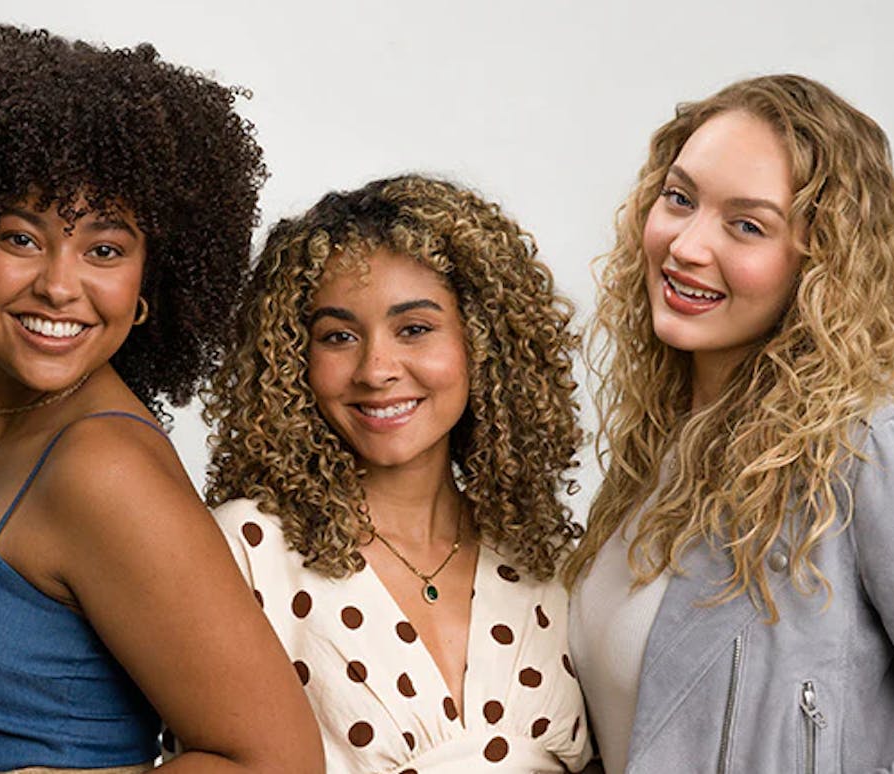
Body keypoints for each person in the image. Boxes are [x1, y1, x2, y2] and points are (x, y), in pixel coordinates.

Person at [0, 24, 323, 774]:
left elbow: (278, 764)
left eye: (104, 250)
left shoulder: (104, 469)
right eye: (20, 238)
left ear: (148, 284)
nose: (59, 285)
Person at [192, 174, 594, 772]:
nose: (375, 369)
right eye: (338, 337)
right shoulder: (246, 550)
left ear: (483, 341)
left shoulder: (548, 561)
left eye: (414, 329)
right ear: (294, 359)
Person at [565, 74, 894, 773]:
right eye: (679, 198)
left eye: (747, 225)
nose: (687, 245)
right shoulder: (655, 450)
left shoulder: (865, 446)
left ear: (823, 263)